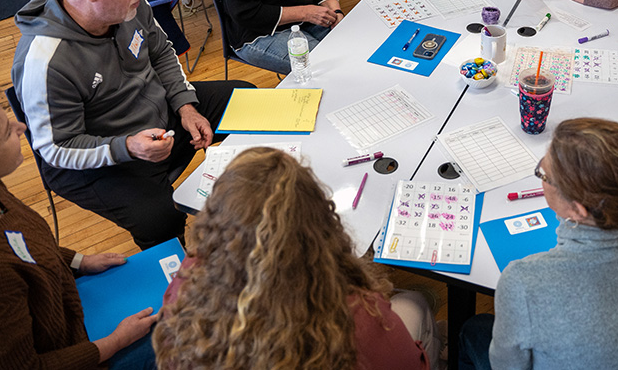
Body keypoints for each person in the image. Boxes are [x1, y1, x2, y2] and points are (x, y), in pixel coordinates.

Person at [11, 0, 253, 250]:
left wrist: (185, 106)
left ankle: (254, 200)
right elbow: (56, 148)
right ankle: (176, 273)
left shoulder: (128, 5)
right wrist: (128, 147)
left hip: (156, 118)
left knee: (248, 101)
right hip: (104, 156)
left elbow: (161, 51)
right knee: (160, 216)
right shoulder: (45, 62)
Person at [153, 148, 437, 369]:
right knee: (415, 304)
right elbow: (412, 363)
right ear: (319, 225)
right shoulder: (359, 314)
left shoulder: (190, 277)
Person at [0, 85, 157, 369]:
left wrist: (79, 261)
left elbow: (20, 245)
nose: (21, 127)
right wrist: (115, 342)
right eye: (6, 132)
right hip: (76, 351)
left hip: (67, 314)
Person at [459, 118, 618, 370]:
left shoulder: (524, 281)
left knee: (473, 330)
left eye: (544, 175)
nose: (541, 176)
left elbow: (508, 367)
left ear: (578, 209)